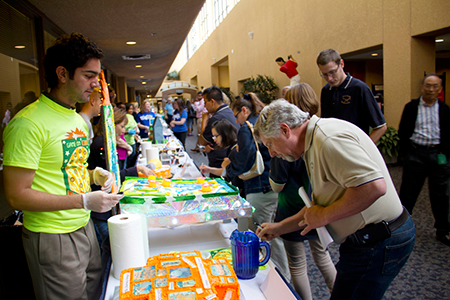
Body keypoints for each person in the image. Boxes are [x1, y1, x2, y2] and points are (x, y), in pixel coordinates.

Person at [2, 32, 124, 300]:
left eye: (97, 77)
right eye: (89, 75)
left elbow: (69, 168)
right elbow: (16, 195)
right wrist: (83, 201)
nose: (96, 84)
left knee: (96, 292)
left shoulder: (77, 119)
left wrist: (93, 175)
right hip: (52, 236)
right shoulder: (27, 124)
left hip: (85, 226)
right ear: (62, 73)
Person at [255, 100, 415, 300]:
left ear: (285, 130)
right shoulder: (314, 142)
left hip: (380, 240)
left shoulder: (327, 139)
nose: (271, 153)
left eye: (270, 144)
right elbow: (318, 209)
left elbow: (373, 186)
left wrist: (324, 215)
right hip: (367, 240)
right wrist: (279, 228)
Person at [269, 83, 336, 299]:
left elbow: (277, 184)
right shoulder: (321, 132)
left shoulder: (286, 140)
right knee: (323, 257)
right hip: (320, 204)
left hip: (292, 207)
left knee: (297, 265)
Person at [226, 93, 290, 281]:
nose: (236, 121)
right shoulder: (262, 122)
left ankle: (281, 278)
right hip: (271, 185)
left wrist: (230, 166)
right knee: (271, 232)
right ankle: (280, 274)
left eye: (236, 115)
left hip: (259, 187)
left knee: (268, 233)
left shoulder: (247, 128)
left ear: (244, 110)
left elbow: (245, 161)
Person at [88, 107, 154, 273]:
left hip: (108, 204)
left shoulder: (110, 142)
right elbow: (111, 177)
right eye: (122, 127)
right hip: (101, 208)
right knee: (110, 248)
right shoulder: (100, 145)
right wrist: (135, 170)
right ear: (112, 124)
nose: (125, 130)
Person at [398, 73, 450, 246]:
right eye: (428, 85)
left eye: (435, 86)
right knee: (408, 194)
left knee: (441, 196)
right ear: (422, 87)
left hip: (438, 156)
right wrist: (406, 154)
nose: (431, 89)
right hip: (416, 155)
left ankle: (442, 231)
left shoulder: (444, 109)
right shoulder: (412, 107)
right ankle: (400, 229)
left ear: (440, 89)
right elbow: (403, 131)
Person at [316, 48, 387, 143]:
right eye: (325, 74)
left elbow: (381, 127)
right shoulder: (326, 90)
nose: (329, 78)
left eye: (332, 72)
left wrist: (362, 149)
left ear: (341, 64)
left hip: (353, 150)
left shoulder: (360, 88)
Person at [200, 86, 240, 174]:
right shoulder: (229, 111)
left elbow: (203, 141)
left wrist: (204, 120)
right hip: (228, 158)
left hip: (220, 160)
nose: (205, 106)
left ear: (212, 101)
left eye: (205, 102)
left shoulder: (216, 118)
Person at [124, 103, 139, 167]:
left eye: (132, 109)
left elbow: (135, 127)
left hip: (132, 141)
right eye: (129, 109)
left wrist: (135, 133)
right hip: (125, 142)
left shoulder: (131, 117)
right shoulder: (123, 117)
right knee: (126, 163)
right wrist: (128, 132)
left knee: (132, 162)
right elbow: (119, 131)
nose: (131, 110)